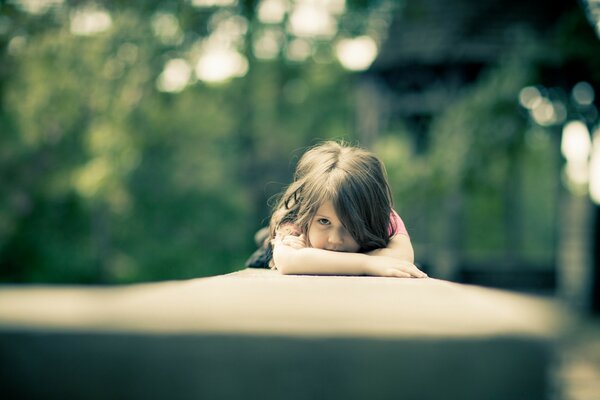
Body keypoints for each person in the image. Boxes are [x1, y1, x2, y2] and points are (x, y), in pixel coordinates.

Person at [245, 141, 427, 278]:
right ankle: (264, 238)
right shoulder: (297, 216)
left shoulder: (383, 216)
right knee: (266, 250)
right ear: (306, 215)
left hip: (359, 247)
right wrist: (368, 263)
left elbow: (401, 258)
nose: (335, 240)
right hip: (273, 251)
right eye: (324, 221)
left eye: (350, 226)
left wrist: (313, 256)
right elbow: (288, 262)